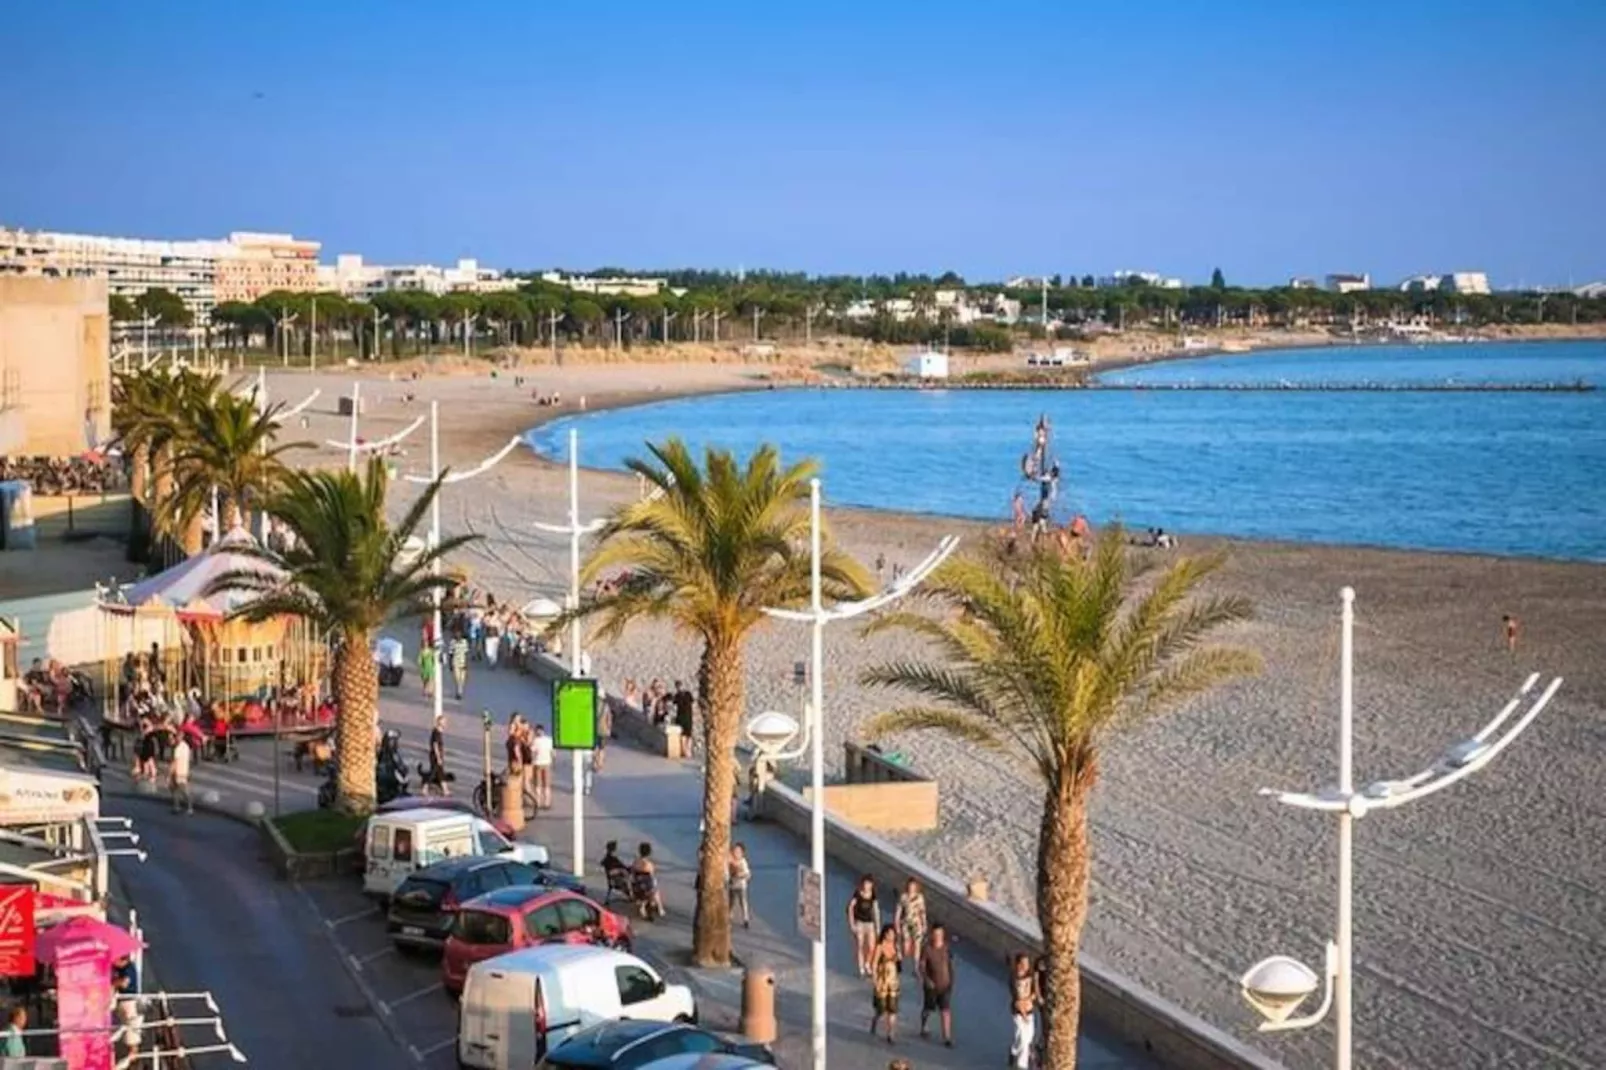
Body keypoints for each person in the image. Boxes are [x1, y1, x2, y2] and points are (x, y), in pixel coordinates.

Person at [919, 923, 954, 1046]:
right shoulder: (927, 949)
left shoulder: (946, 948)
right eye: (935, 934)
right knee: (929, 1008)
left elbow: (949, 965)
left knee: (945, 1010)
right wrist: (926, 980)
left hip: (945, 985)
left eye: (940, 934)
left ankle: (947, 1037)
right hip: (931, 985)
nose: (938, 937)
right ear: (931, 935)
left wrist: (951, 980)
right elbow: (922, 966)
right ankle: (924, 1025)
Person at [869, 925, 901, 1045]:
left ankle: (890, 1034)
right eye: (889, 934)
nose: (891, 936)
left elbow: (899, 965)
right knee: (881, 1008)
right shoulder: (880, 947)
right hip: (882, 981)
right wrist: (875, 979)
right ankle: (875, 1019)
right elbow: (874, 964)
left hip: (893, 982)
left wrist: (898, 957)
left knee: (892, 1009)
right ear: (885, 934)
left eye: (893, 934)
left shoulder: (896, 947)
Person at [1009, 952, 1039, 1069]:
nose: (1026, 966)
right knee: (1023, 1038)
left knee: (1028, 1037)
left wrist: (1030, 998)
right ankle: (1022, 1065)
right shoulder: (1013, 979)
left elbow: (1034, 992)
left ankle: (1013, 1050)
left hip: (1029, 1010)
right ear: (1018, 964)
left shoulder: (1030, 976)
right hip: (1018, 1013)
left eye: (1027, 963)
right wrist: (1024, 1014)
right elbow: (1017, 1000)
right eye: (1023, 963)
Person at [847, 875, 881, 976]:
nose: (867, 886)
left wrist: (877, 926)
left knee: (872, 947)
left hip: (870, 923)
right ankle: (861, 968)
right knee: (860, 945)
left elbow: (876, 910)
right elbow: (850, 907)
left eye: (869, 884)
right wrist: (852, 923)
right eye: (865, 884)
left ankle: (867, 963)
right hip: (860, 922)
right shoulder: (858, 894)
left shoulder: (873, 894)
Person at [895, 877, 928, 964]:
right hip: (906, 923)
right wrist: (897, 924)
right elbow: (898, 912)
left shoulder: (920, 897)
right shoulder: (904, 897)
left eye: (913, 886)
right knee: (906, 947)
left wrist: (924, 924)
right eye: (910, 886)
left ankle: (916, 965)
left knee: (917, 944)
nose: (911, 888)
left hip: (917, 923)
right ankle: (904, 958)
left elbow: (922, 911)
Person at [630, 842, 664, 919]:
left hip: (636, 888)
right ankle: (659, 907)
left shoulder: (635, 862)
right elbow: (651, 877)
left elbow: (632, 872)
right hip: (647, 890)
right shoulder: (649, 865)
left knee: (652, 885)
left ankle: (647, 905)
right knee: (655, 887)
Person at [728, 843, 752, 929]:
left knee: (743, 902)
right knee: (731, 902)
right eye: (735, 851)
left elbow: (747, 873)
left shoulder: (743, 862)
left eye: (738, 852)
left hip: (741, 885)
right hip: (732, 885)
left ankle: (746, 918)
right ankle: (729, 916)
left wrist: (742, 875)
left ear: (742, 853)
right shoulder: (730, 861)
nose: (736, 853)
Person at [169, 731, 193, 815]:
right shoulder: (186, 746)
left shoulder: (178, 748)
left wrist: (170, 773)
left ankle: (187, 807)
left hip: (179, 771)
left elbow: (175, 762)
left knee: (181, 790)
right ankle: (177, 806)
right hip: (184, 770)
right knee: (177, 789)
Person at [530, 724, 554, 809]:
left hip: (538, 763)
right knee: (546, 784)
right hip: (547, 763)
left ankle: (538, 801)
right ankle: (547, 802)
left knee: (538, 784)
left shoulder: (535, 741)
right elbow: (553, 753)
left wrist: (531, 762)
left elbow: (532, 752)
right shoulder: (549, 740)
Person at [425, 714, 449, 796]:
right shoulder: (436, 732)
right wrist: (438, 757)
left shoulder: (439, 732)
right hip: (435, 756)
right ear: (439, 723)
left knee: (441, 773)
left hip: (437, 756)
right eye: (444, 722)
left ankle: (446, 790)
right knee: (433, 773)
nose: (446, 723)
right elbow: (435, 745)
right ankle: (425, 788)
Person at [673, 682, 695, 759]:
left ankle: (688, 750)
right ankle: (684, 751)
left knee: (688, 734)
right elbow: (674, 705)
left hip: (688, 716)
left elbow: (692, 704)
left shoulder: (688, 694)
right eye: (677, 687)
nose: (679, 688)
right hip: (680, 717)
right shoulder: (677, 696)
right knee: (682, 734)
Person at [449, 631, 470, 700]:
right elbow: (451, 653)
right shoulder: (452, 642)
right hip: (455, 662)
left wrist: (466, 663)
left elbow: (466, 653)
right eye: (456, 634)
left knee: (462, 679)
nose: (457, 635)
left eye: (459, 634)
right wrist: (450, 664)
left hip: (463, 661)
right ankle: (459, 691)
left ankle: (459, 691)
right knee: (457, 678)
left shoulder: (464, 642)